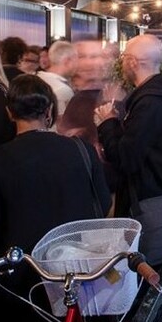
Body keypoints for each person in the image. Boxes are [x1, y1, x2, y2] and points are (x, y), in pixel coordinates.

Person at [0, 75, 110, 322]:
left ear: (10, 112)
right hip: (74, 278)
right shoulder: (81, 151)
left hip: (20, 288)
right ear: (50, 113)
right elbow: (103, 204)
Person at [94, 34, 162, 218]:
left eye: (124, 58)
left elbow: (126, 158)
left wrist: (107, 123)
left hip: (147, 206)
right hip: (161, 197)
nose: (121, 64)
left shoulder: (149, 104)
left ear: (133, 62)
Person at [58, 36, 124, 215]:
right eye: (83, 56)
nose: (88, 63)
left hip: (111, 195)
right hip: (82, 193)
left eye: (93, 56)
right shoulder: (78, 98)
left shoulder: (118, 96)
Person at [36, 40, 76, 119]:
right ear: (67, 61)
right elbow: (64, 125)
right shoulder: (64, 90)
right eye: (75, 60)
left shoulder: (37, 79)